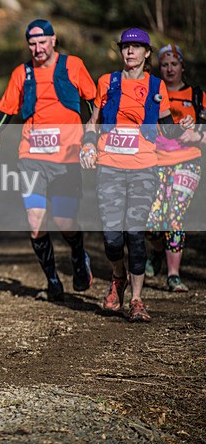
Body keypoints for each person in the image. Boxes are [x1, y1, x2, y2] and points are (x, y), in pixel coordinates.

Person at [80, 28, 194, 323]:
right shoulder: (107, 82)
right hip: (109, 167)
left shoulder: (157, 87)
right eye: (125, 47)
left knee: (135, 232)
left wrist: (189, 128)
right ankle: (119, 276)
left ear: (147, 53)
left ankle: (137, 299)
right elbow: (92, 121)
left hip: (144, 168)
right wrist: (88, 145)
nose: (130, 51)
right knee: (112, 238)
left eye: (136, 47)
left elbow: (168, 131)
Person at [0, 19, 96, 302]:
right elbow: (6, 110)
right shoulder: (22, 74)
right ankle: (52, 280)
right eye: (32, 44)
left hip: (68, 156)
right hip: (31, 156)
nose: (37, 49)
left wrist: (93, 138)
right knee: (35, 222)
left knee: (63, 220)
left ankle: (78, 255)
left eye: (42, 42)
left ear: (53, 40)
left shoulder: (73, 66)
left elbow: (95, 103)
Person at [146, 44, 204, 292]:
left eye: (174, 64)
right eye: (165, 64)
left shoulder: (197, 96)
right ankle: (157, 251)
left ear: (182, 66)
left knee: (174, 216)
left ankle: (173, 275)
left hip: (187, 161)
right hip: (155, 161)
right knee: (150, 222)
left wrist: (198, 138)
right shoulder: (153, 94)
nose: (170, 69)